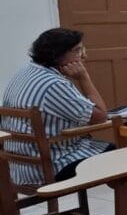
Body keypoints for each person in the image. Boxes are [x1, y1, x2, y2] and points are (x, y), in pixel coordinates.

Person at [1, 28, 112, 185]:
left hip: (21, 166)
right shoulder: (54, 84)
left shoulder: (24, 73)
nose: (84, 56)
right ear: (56, 55)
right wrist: (84, 78)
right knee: (122, 158)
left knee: (108, 151)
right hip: (50, 165)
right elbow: (101, 117)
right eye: (77, 51)